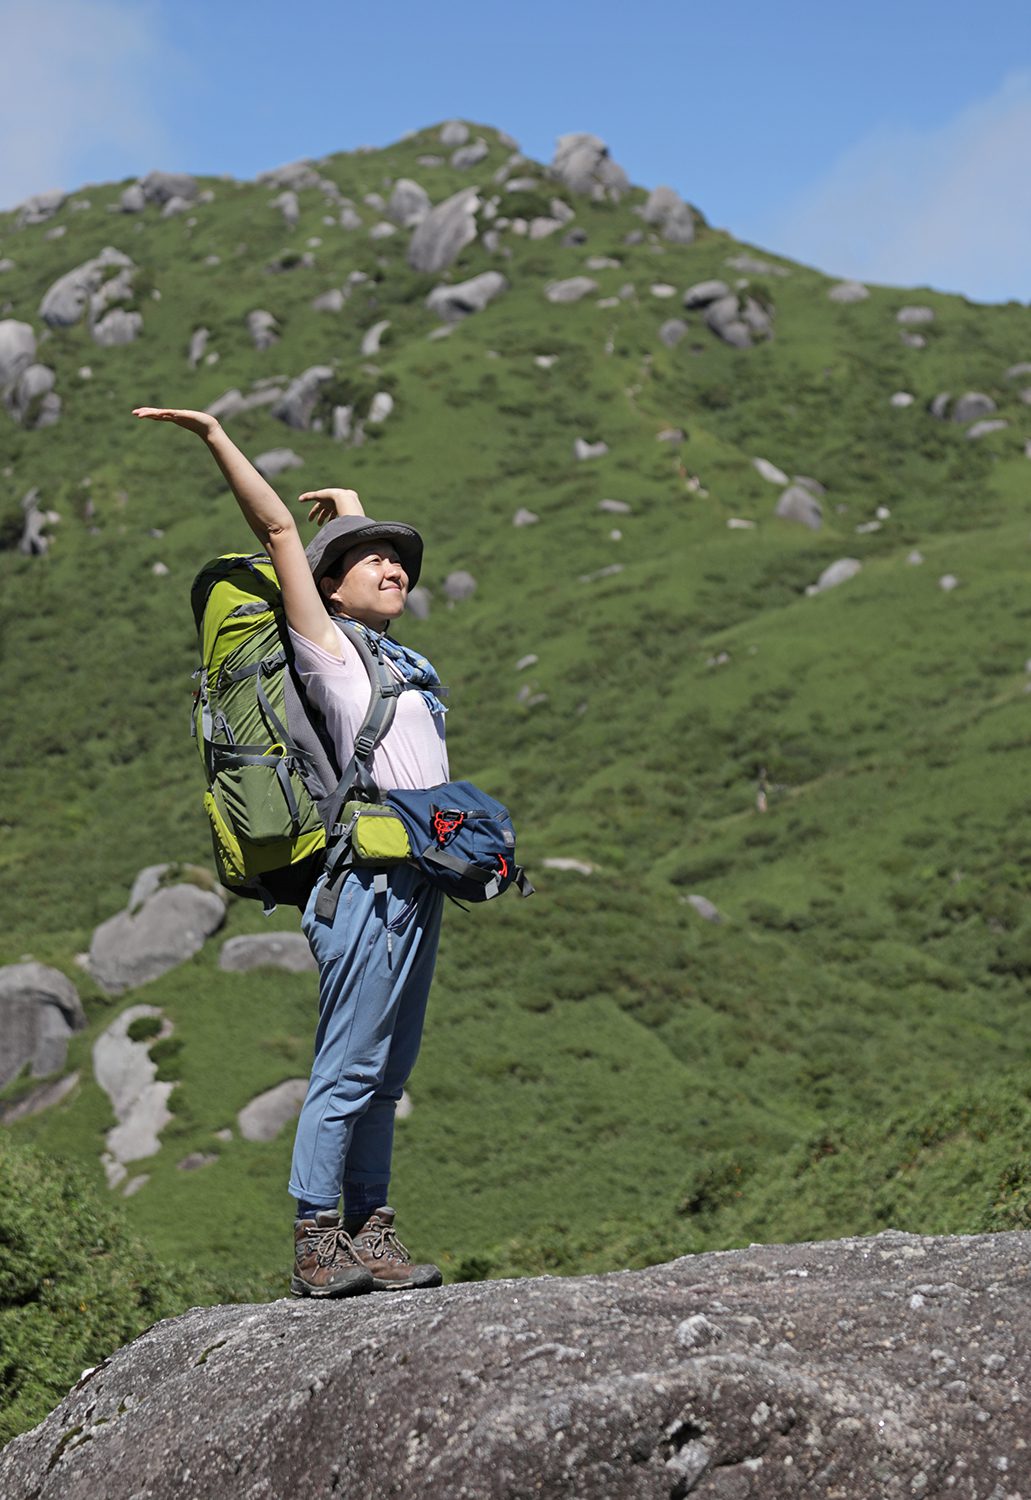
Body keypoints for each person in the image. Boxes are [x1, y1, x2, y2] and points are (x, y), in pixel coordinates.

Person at [134, 405, 447, 1297]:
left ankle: (370, 1231)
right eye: (370, 562)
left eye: (402, 562)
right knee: (349, 1066)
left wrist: (354, 510)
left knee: (387, 1074)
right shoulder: (328, 653)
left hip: (416, 881)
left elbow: (354, 559)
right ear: (326, 590)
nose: (393, 569)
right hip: (361, 886)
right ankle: (318, 1238)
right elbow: (277, 528)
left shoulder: (389, 659)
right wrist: (217, 436)